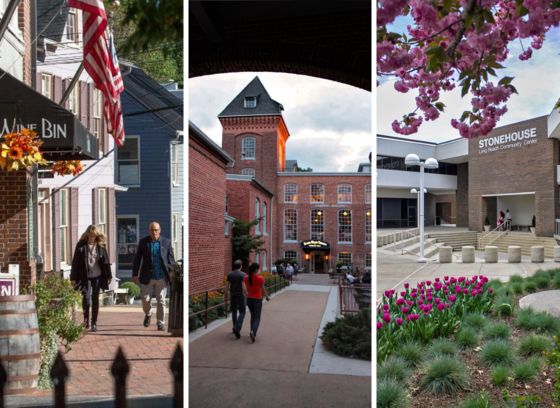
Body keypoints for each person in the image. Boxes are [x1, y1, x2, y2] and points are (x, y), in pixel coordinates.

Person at [132, 222, 175, 331]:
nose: (154, 232)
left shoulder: (166, 242)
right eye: (152, 230)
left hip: (161, 277)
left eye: (156, 230)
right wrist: (135, 274)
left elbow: (171, 260)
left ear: (160, 230)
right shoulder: (143, 242)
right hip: (147, 277)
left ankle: (160, 323)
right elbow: (137, 259)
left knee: (161, 300)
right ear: (149, 231)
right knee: (145, 299)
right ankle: (149, 313)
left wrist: (172, 274)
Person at [70, 225, 112, 332]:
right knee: (86, 298)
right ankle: (85, 321)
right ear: (87, 235)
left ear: (97, 236)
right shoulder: (81, 246)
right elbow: (75, 263)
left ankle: (94, 322)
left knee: (95, 299)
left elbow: (106, 262)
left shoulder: (101, 246)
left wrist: (108, 276)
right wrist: (73, 277)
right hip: (85, 276)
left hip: (97, 275)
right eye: (90, 236)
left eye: (93, 236)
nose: (91, 238)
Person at [244, 263, 270, 343]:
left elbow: (247, 289)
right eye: (258, 269)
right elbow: (262, 289)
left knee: (253, 316)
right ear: (256, 269)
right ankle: (253, 332)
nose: (258, 270)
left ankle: (252, 331)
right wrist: (267, 296)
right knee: (257, 317)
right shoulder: (260, 278)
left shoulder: (247, 278)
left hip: (249, 298)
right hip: (257, 299)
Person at [224, 260, 248, 339]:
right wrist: (247, 295)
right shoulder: (242, 274)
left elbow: (227, 286)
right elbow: (243, 286)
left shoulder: (229, 274)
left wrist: (225, 296)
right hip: (240, 296)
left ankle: (234, 326)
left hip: (232, 296)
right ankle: (237, 327)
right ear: (241, 266)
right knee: (242, 312)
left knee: (234, 312)